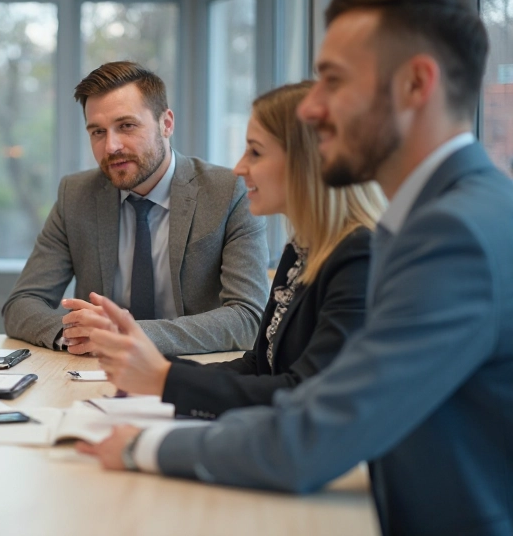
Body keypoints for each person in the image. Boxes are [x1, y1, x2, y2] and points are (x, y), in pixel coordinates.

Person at [78, 0, 513, 536]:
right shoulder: (455, 212)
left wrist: (145, 447)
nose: (312, 108)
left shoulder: (450, 235)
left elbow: (315, 434)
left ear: (415, 84)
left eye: (334, 80)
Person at [75, 81, 385, 419]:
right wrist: (158, 373)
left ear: (307, 160)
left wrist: (164, 379)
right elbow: (261, 365)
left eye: (255, 152)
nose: (239, 168)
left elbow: (305, 395)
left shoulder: (359, 258)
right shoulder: (303, 249)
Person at [2, 61, 269, 356]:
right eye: (98, 132)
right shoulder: (75, 195)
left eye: (126, 126)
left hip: (194, 370)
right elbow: (21, 304)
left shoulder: (228, 191)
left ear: (166, 123)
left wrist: (128, 335)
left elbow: (249, 317)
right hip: (95, 372)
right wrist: (78, 334)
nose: (111, 146)